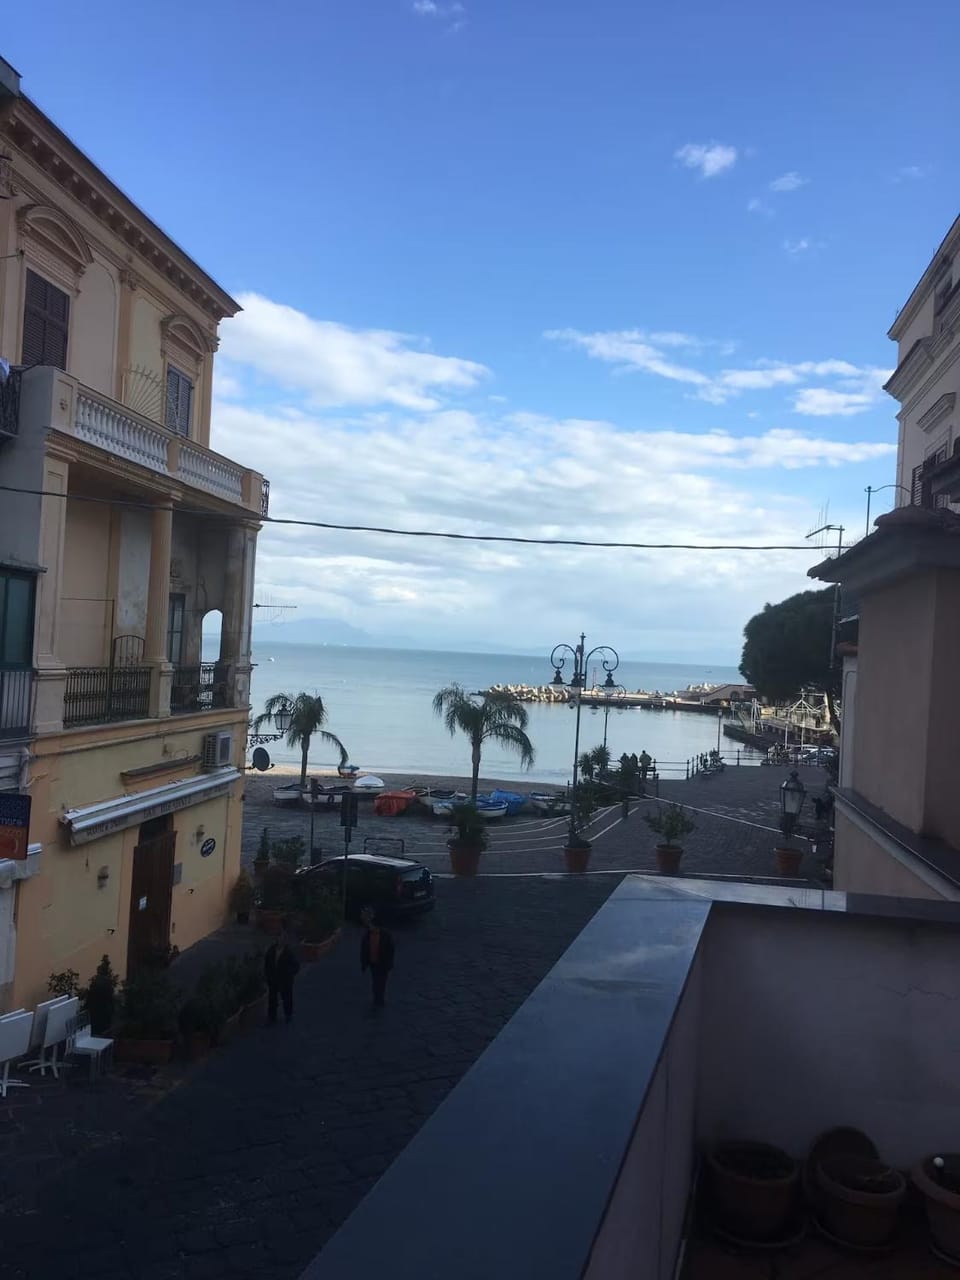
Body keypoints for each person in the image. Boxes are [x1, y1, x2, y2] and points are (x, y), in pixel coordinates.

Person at [360, 906, 395, 1008]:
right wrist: (364, 962)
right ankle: (377, 998)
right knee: (376, 981)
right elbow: (364, 950)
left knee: (381, 981)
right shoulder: (367, 935)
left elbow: (390, 950)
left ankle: (379, 998)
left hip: (383, 963)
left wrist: (389, 963)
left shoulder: (385, 935)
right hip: (373, 963)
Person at [264, 936, 300, 1025]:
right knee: (272, 999)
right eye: (279, 939)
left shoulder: (289, 952)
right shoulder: (271, 950)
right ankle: (272, 1017)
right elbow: (267, 964)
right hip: (273, 979)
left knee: (287, 998)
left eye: (282, 939)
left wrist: (289, 974)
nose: (280, 941)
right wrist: (267, 976)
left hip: (285, 980)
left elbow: (296, 966)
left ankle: (288, 1015)